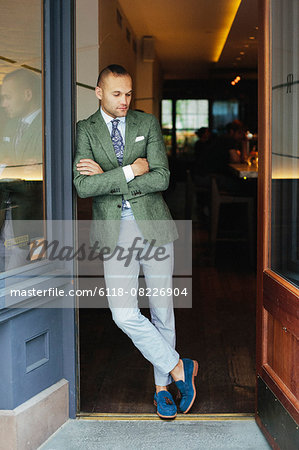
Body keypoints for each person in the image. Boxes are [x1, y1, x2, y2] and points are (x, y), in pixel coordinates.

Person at [73, 64, 198, 419]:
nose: (124, 100)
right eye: (116, 94)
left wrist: (108, 178)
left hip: (155, 226)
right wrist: (129, 170)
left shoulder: (146, 124)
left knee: (162, 310)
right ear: (99, 92)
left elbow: (161, 178)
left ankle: (163, 389)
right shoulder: (86, 130)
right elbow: (83, 186)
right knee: (124, 313)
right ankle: (179, 368)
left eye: (128, 93)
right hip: (115, 231)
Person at [0, 69, 43, 271]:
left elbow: (36, 178)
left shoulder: (48, 125)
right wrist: (20, 168)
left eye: (7, 97)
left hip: (35, 222)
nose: (3, 104)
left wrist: (11, 168)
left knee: (33, 273)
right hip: (8, 219)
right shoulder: (9, 126)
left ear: (27, 95)